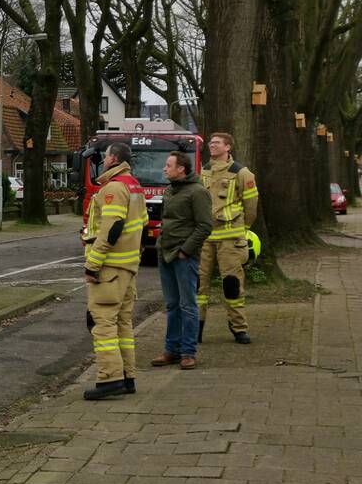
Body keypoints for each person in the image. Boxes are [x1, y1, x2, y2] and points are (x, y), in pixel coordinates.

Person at [82, 142, 147, 400]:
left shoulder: (113, 188)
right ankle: (128, 377)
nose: (104, 158)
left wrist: (92, 264)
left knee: (103, 323)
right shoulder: (134, 186)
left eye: (107, 155)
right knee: (123, 323)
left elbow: (112, 228)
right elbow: (140, 225)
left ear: (113, 159)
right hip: (127, 267)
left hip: (110, 268)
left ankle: (110, 378)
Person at [152, 151, 212, 370]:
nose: (164, 169)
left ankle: (188, 352)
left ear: (181, 169)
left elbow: (205, 225)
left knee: (188, 305)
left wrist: (186, 250)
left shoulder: (198, 192)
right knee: (172, 305)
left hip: (183, 257)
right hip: (165, 253)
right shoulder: (169, 190)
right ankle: (171, 350)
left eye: (168, 165)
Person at [198, 133, 259, 344]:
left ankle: (239, 328)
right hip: (204, 238)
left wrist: (243, 228)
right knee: (198, 285)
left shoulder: (242, 173)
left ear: (228, 147)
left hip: (230, 239)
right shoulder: (203, 170)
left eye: (216, 143)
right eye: (211, 143)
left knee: (232, 284)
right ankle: (196, 326)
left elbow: (251, 207)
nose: (211, 146)